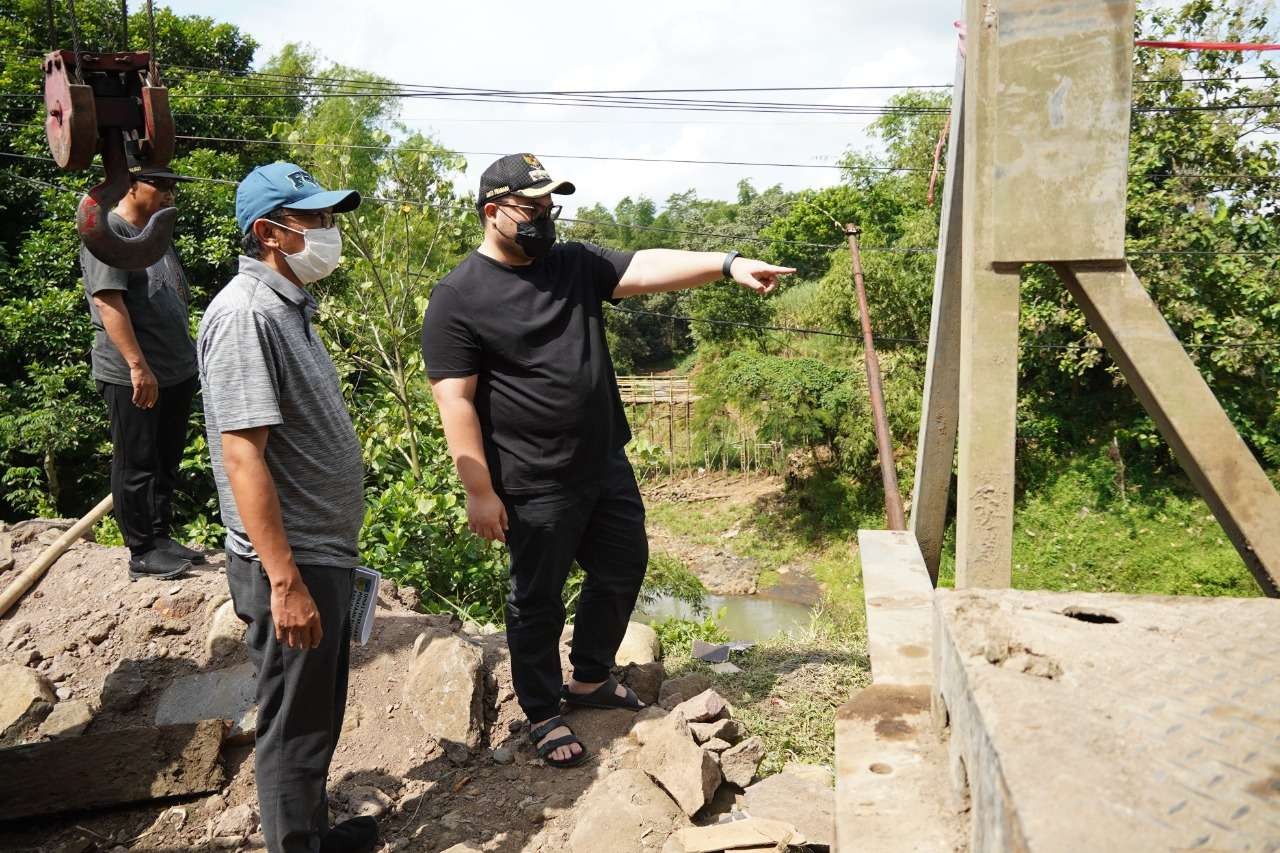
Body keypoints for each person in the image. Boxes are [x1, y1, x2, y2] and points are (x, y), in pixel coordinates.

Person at [422, 153, 793, 767]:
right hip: (531, 481)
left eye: (550, 205)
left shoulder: (572, 264)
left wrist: (727, 264)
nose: (546, 218)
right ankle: (541, 710)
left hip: (603, 465)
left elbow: (645, 265)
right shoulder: (459, 296)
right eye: (532, 207)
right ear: (493, 213)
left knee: (622, 567)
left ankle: (590, 678)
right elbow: (455, 402)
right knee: (536, 599)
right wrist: (478, 489)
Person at [197, 162, 376, 853]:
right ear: (271, 233)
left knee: (316, 714)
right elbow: (244, 456)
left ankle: (313, 834)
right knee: (292, 725)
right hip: (291, 556)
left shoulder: (285, 307)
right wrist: (285, 579)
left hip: (316, 549)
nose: (329, 232)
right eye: (317, 220)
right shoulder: (244, 315)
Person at [81, 160, 204, 580]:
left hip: (174, 370)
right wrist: (138, 366)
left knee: (166, 458)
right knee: (136, 461)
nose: (170, 192)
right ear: (130, 184)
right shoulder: (110, 233)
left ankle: (161, 535)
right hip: (133, 373)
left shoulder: (154, 232)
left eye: (173, 184)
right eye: (161, 184)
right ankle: (142, 550)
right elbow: (108, 302)